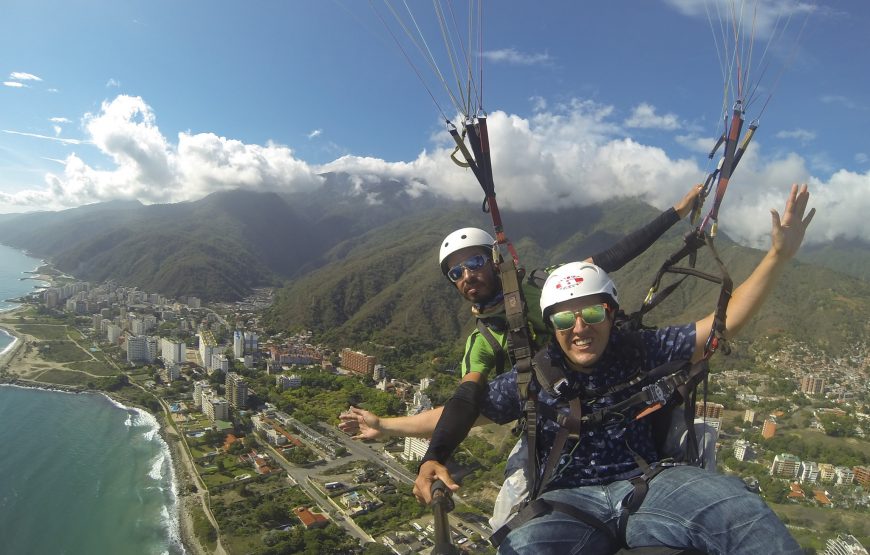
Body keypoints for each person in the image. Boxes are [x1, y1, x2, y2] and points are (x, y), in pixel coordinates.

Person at [419, 184, 814, 554]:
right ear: (550, 325)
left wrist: (776, 256)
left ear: (611, 314)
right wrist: (429, 450)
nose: (579, 328)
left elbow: (717, 324)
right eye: (562, 321)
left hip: (650, 484)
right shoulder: (530, 374)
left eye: (591, 313)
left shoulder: (639, 348)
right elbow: (466, 404)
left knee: (745, 515)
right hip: (566, 499)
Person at [339, 184, 703, 441]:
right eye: (456, 272)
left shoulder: (547, 286)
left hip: (615, 389)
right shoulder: (482, 345)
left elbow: (614, 256)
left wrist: (678, 211)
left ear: (496, 261)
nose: (468, 275)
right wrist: (386, 425)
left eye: (476, 262)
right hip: (557, 421)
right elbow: (465, 406)